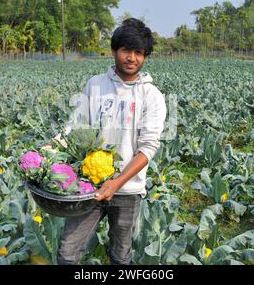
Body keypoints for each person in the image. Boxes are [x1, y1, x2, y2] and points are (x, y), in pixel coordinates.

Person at [45, 18, 166, 265]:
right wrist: (50, 148)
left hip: (128, 190)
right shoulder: (96, 85)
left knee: (121, 256)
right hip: (88, 186)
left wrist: (116, 183)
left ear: (145, 57)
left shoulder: (151, 96)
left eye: (139, 52)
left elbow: (148, 147)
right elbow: (75, 128)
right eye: (126, 50)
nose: (132, 57)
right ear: (114, 51)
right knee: (67, 253)